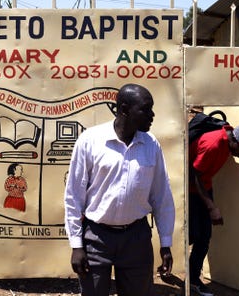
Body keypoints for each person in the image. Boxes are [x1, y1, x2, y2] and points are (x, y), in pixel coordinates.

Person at [64, 83, 175, 296]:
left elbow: (161, 197)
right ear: (124, 109)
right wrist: (77, 246)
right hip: (96, 239)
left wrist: (166, 243)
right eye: (145, 109)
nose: (152, 115)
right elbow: (73, 197)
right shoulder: (90, 140)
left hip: (137, 239)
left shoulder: (152, 145)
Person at [188, 120, 239, 296]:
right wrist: (211, 207)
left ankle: (192, 278)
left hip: (204, 187)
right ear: (234, 141)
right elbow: (195, 175)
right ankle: (172, 265)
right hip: (191, 189)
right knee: (192, 235)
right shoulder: (214, 145)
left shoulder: (227, 143)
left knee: (204, 236)